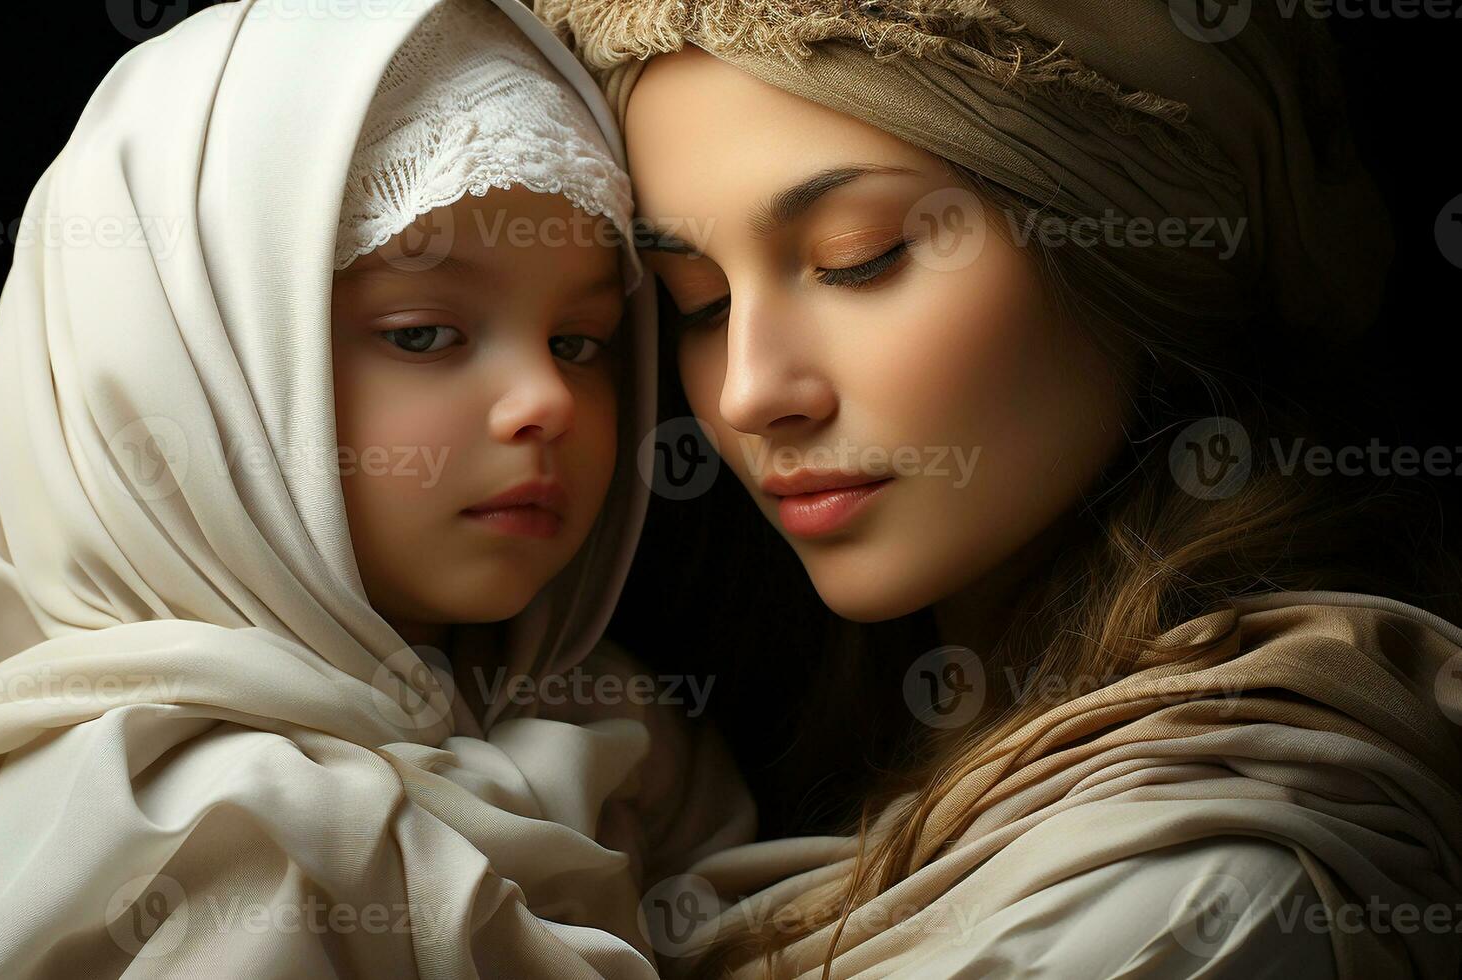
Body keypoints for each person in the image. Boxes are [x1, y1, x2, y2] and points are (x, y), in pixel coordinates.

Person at [0, 0, 753, 975]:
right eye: (422, 333)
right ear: (188, 372)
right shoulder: (173, 834)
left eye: (578, 341)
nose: (544, 398)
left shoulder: (611, 730)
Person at [536, 0, 1462, 976]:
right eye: (700, 303)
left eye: (859, 256)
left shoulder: (1194, 891)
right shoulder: (798, 743)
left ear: (1122, 238)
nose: (748, 390)